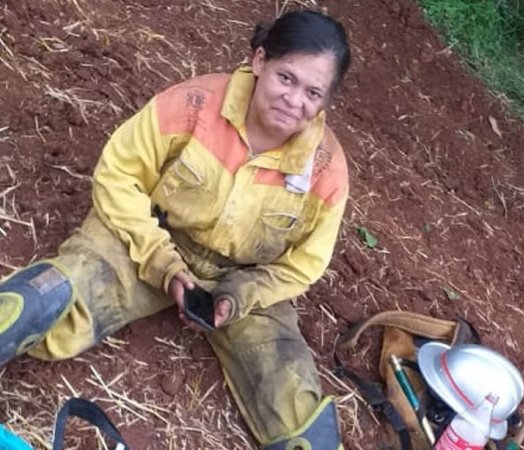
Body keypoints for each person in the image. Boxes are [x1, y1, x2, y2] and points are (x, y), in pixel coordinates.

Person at [0, 9, 351, 450]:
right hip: (144, 243)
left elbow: (304, 265)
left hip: (243, 283)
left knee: (296, 405)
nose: (294, 100)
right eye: (286, 78)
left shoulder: (327, 171)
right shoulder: (193, 105)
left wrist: (239, 295)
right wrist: (162, 262)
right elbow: (117, 175)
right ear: (260, 61)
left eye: (312, 92)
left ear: (325, 102)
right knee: (46, 298)